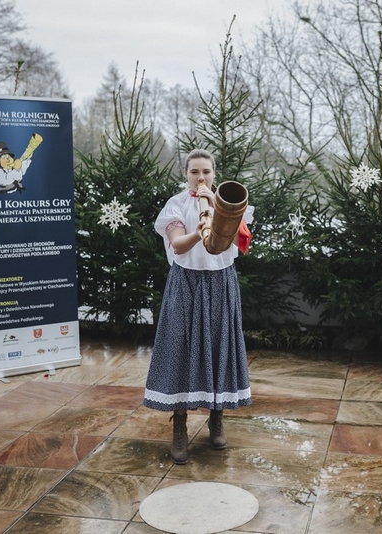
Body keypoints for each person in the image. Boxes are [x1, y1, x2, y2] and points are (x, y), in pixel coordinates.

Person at [143, 149, 253, 465]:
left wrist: (218, 210)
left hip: (221, 281)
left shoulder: (229, 203)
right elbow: (177, 245)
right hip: (186, 282)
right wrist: (200, 228)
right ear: (186, 174)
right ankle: (179, 426)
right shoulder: (176, 205)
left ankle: (216, 418)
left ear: (214, 173)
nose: (201, 177)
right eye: (194, 172)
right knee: (180, 348)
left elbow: (241, 241)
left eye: (206, 171)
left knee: (219, 345)